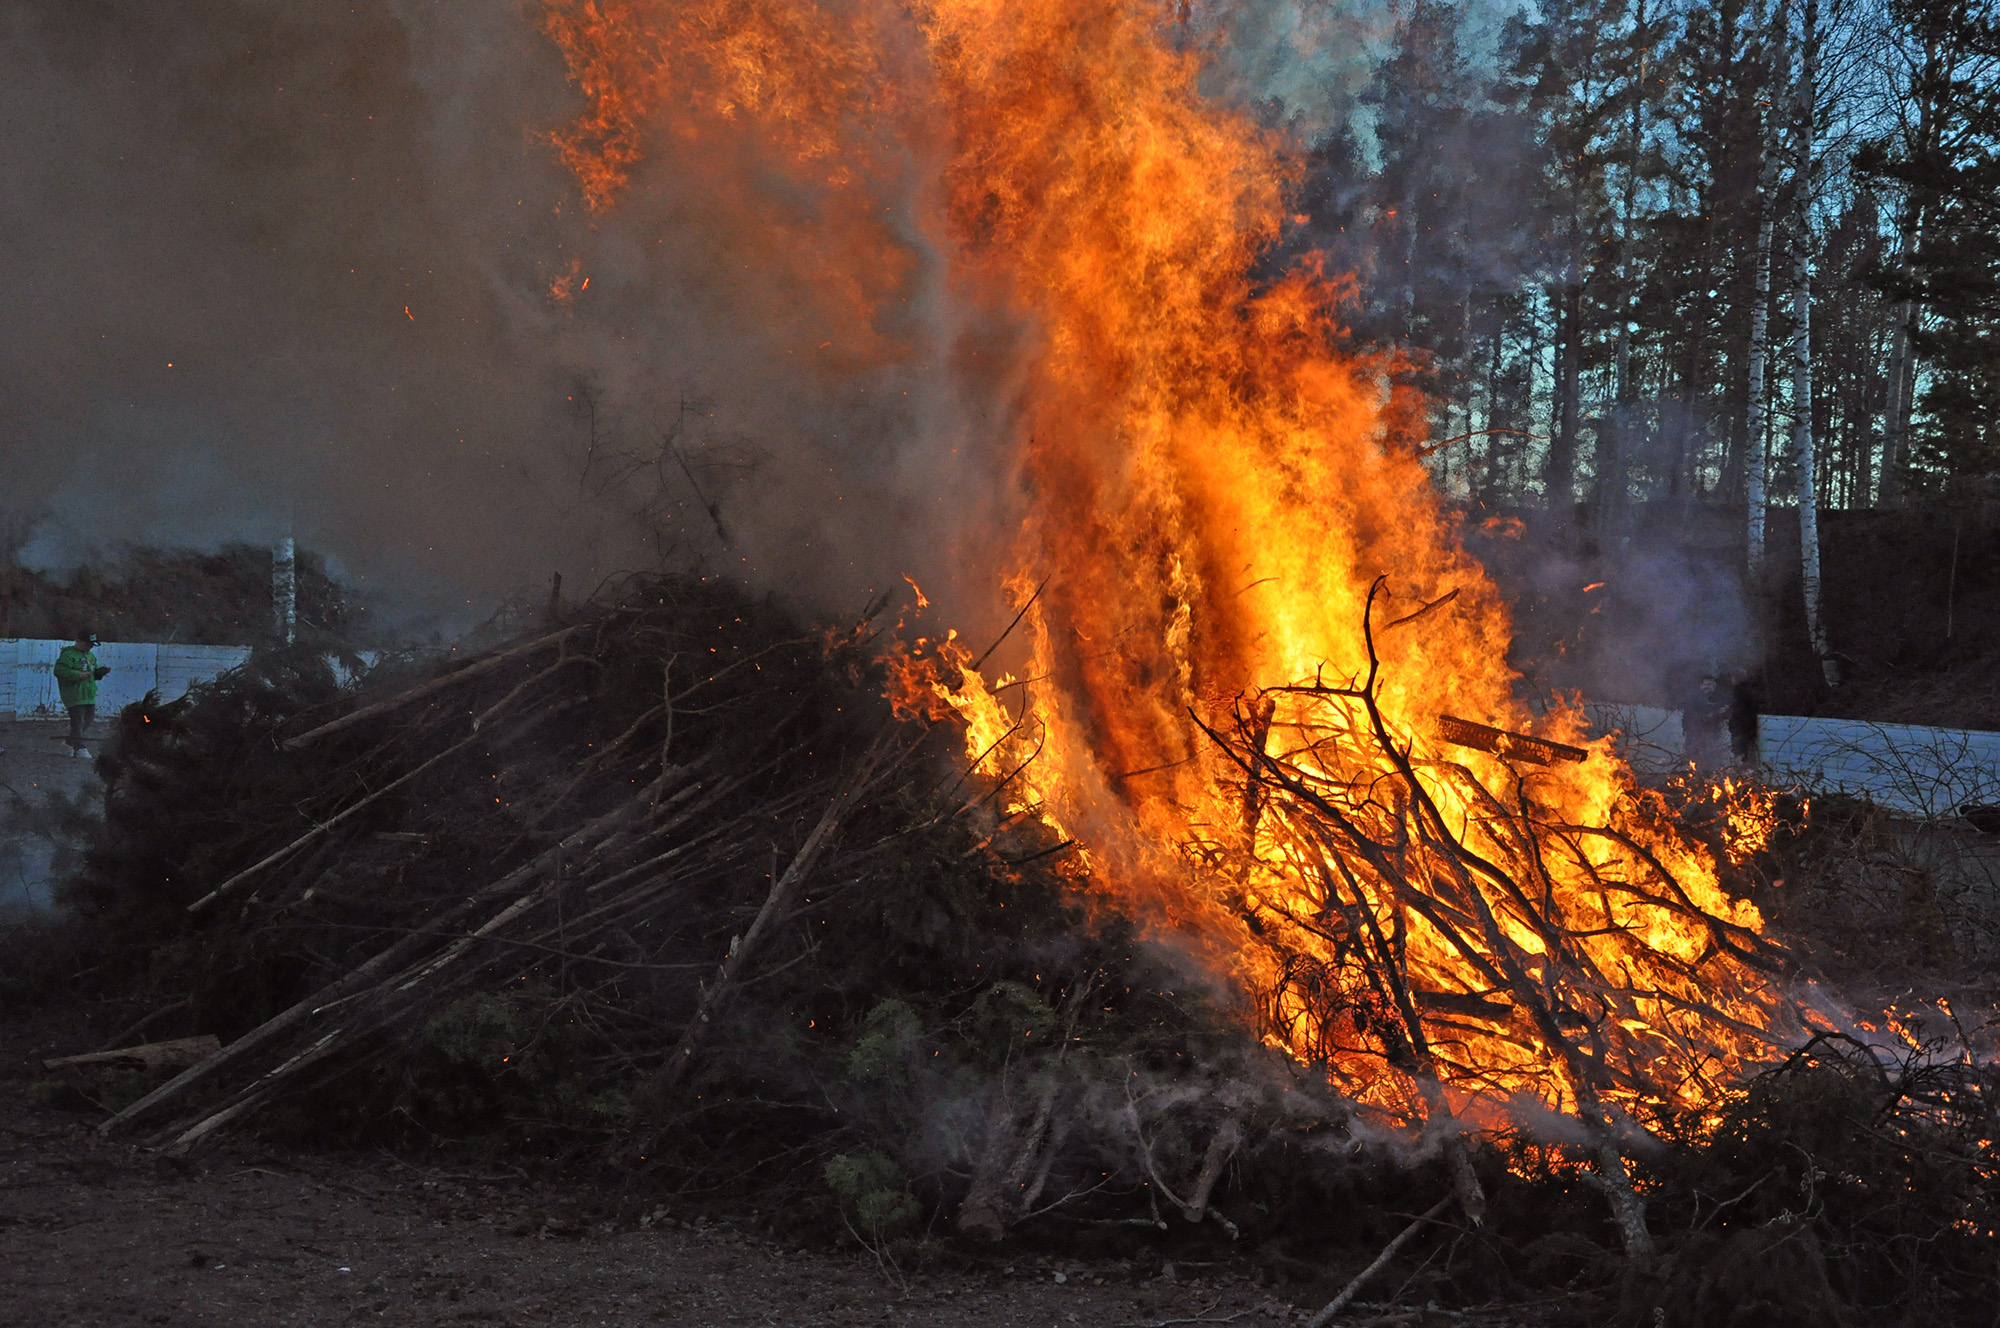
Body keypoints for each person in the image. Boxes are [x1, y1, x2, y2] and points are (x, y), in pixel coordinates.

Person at [53, 633, 110, 758]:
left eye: (91, 645)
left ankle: (68, 744)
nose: (90, 647)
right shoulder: (68, 655)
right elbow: (59, 671)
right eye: (87, 644)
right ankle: (79, 747)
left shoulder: (91, 656)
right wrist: (78, 675)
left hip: (88, 693)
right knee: (78, 721)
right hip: (74, 693)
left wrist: (99, 673)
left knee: (88, 719)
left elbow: (92, 675)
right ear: (78, 641)